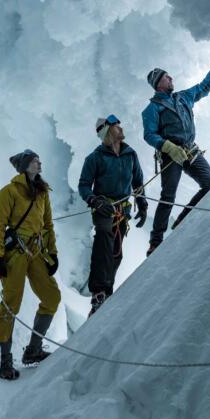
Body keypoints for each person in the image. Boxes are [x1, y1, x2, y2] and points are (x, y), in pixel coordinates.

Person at [142, 45, 210, 255]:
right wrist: (168, 147)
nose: (171, 78)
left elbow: (204, 87)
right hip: (170, 155)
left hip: (191, 150)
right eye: (166, 77)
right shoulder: (152, 109)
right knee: (168, 196)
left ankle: (182, 221)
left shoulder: (183, 97)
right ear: (158, 84)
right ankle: (155, 242)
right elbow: (149, 134)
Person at [0, 149, 61, 381]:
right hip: (16, 254)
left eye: (39, 160)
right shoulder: (9, 192)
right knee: (11, 303)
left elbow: (48, 224)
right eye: (34, 161)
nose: (39, 164)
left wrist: (53, 254)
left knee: (51, 297)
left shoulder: (42, 192)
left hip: (37, 251)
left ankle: (33, 350)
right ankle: (4, 360)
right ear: (24, 166)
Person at [78, 115, 148, 315]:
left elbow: (138, 182)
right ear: (108, 132)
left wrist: (142, 204)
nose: (120, 128)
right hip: (103, 208)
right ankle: (98, 292)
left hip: (122, 210)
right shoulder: (95, 158)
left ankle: (107, 292)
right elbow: (84, 185)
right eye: (117, 127)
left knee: (116, 253)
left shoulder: (130, 154)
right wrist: (94, 200)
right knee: (104, 239)